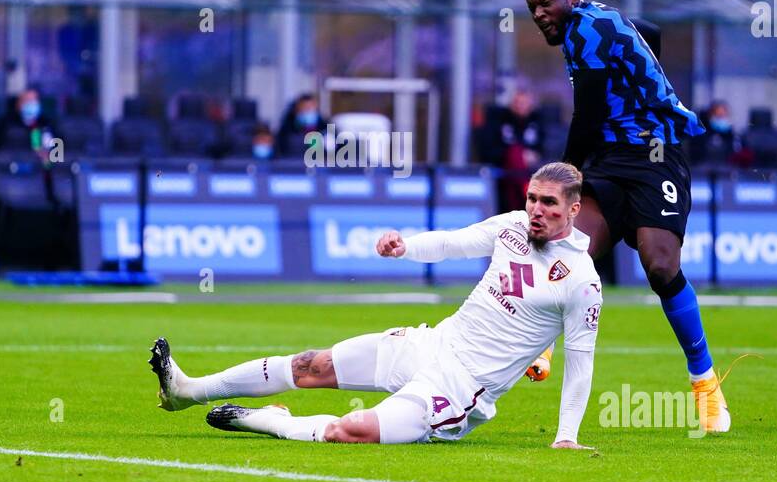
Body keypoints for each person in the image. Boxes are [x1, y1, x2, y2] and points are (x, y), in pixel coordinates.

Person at [147, 163, 605, 447]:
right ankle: (186, 391)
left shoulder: (582, 281)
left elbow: (580, 364)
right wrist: (405, 246)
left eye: (548, 203)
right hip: (431, 344)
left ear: (573, 209)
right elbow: (452, 243)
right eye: (531, 199)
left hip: (459, 388)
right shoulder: (510, 226)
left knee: (353, 431)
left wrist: (566, 437)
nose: (536, 211)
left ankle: (270, 422)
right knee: (312, 366)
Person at [524, 0, 730, 432]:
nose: (539, 14)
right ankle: (543, 342)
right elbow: (648, 32)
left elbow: (588, 114)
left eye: (546, 3)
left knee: (660, 266)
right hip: (612, 156)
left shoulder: (590, 27)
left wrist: (562, 175)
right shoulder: (597, 23)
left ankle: (706, 384)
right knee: (571, 244)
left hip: (656, 152)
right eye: (532, 7)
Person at [478, 88, 546, 211]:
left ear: (531, 105)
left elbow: (543, 149)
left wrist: (532, 155)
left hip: (531, 170)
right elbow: (490, 147)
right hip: (504, 168)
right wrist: (519, 154)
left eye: (524, 103)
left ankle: (526, 194)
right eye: (517, 103)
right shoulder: (500, 120)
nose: (520, 107)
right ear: (511, 104)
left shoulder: (538, 122)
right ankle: (526, 193)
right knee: (514, 153)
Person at [0, 88, 57, 165]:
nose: (32, 104)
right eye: (28, 101)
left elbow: (55, 152)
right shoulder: (5, 124)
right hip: (11, 166)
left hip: (38, 168)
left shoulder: (46, 123)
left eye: (34, 100)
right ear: (18, 104)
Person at [275, 93, 326, 160]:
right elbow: (280, 151)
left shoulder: (325, 128)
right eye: (305, 107)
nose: (308, 110)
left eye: (310, 107)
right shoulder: (286, 130)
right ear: (297, 109)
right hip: (293, 166)